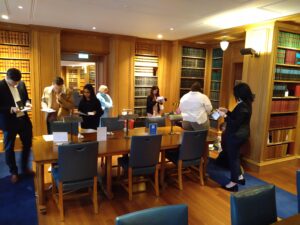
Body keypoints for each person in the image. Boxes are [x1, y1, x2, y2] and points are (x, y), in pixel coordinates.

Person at [217, 82, 254, 192]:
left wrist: (224, 116)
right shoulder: (246, 104)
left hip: (237, 135)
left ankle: (233, 183)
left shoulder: (243, 107)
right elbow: (236, 117)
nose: (235, 96)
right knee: (236, 156)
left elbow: (234, 123)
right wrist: (227, 111)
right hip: (241, 134)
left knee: (233, 158)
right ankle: (240, 177)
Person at [0, 68, 33, 183]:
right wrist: (10, 109)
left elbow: (26, 98)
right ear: (7, 78)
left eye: (18, 82)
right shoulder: (1, 86)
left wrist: (28, 103)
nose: (16, 84)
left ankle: (25, 168)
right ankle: (13, 172)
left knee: (28, 143)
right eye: (14, 82)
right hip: (9, 122)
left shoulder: (21, 84)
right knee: (9, 147)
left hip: (23, 119)